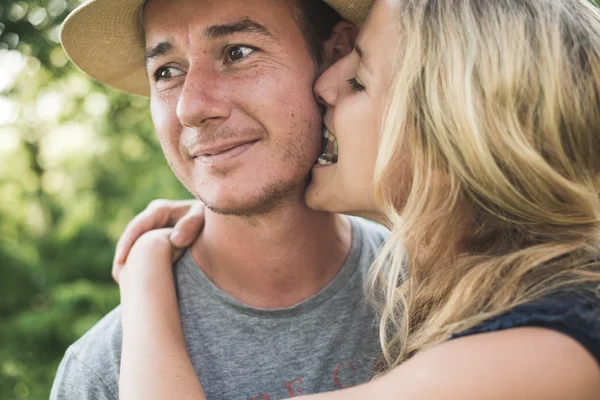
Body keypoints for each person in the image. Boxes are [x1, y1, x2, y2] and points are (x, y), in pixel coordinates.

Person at [115, 0, 600, 398]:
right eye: (166, 71)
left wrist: (144, 275)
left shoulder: (549, 351)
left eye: (360, 79)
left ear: (453, 133)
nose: (326, 86)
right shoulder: (484, 301)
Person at [51, 1, 391, 399]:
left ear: (334, 56)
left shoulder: (443, 292)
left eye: (238, 52)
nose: (191, 107)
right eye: (167, 72)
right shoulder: (103, 372)